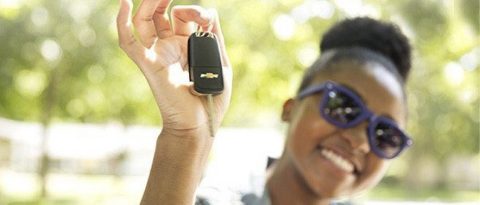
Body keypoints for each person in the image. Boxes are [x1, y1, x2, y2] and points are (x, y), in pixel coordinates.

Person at [116, 0, 413, 204]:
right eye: (343, 107)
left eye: (385, 135)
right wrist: (184, 136)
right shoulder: (216, 198)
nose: (360, 141)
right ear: (291, 108)